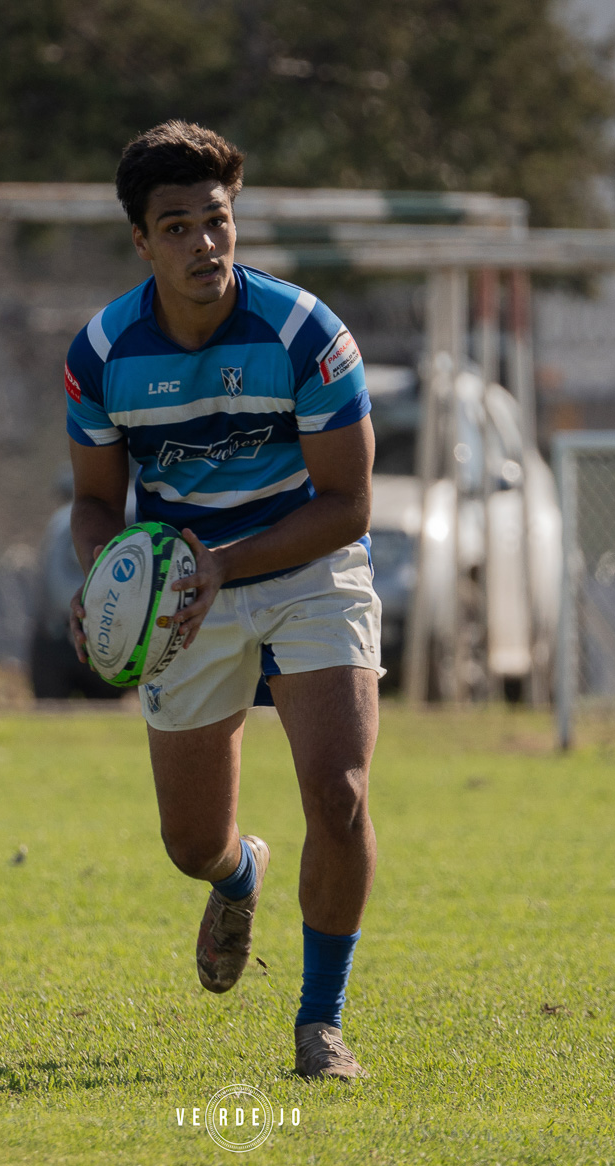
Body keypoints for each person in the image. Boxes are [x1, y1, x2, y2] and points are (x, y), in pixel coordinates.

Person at [66, 121, 381, 1080]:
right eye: (178, 227)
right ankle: (239, 872)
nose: (205, 244)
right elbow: (92, 503)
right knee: (189, 842)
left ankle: (319, 1026)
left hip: (306, 566)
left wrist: (225, 567)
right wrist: (100, 583)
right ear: (142, 241)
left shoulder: (306, 336)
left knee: (339, 793)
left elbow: (350, 504)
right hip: (182, 593)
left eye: (217, 220)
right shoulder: (102, 353)